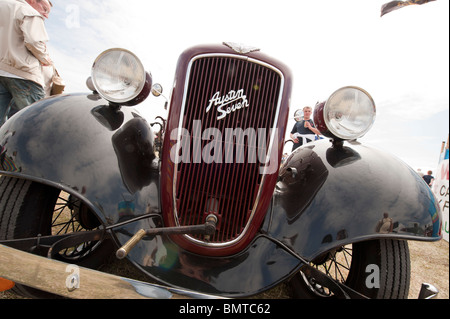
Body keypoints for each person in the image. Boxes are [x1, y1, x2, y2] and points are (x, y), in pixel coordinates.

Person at [0, 0, 53, 126]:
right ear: (32, 1)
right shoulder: (29, 12)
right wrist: (45, 59)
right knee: (33, 124)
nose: (46, 15)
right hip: (24, 75)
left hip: (1, 73)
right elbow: (35, 42)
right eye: (45, 9)